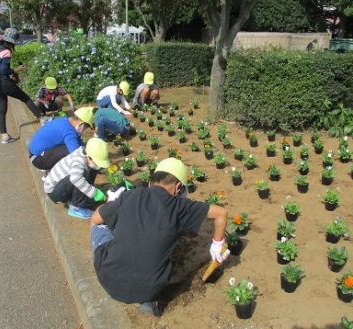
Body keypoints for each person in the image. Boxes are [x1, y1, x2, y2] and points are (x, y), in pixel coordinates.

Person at [90, 158, 230, 317]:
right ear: (178, 187)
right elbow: (221, 213)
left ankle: (104, 261)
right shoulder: (180, 207)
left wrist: (111, 206)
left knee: (99, 226)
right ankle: (149, 302)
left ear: (151, 182)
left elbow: (95, 219)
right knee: (163, 256)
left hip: (108, 280)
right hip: (148, 289)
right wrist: (217, 245)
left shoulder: (130, 196)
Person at [0, 28, 43, 144]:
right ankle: (42, 119)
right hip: (4, 82)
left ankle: (4, 136)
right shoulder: (7, 51)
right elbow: (4, 71)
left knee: (2, 109)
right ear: (12, 41)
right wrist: (16, 70)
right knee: (26, 98)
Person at [44, 138, 111, 219]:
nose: (99, 165)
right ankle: (76, 208)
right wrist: (94, 193)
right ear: (88, 157)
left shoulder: (85, 155)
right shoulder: (78, 160)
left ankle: (81, 198)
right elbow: (75, 179)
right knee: (79, 177)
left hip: (63, 185)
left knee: (92, 169)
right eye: (97, 162)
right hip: (54, 192)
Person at [29, 107, 95, 172]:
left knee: (76, 146)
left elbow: (79, 143)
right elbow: (76, 153)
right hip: (38, 158)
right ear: (81, 124)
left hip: (35, 152)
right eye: (85, 128)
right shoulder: (68, 131)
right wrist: (91, 162)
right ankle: (52, 173)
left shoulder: (65, 121)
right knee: (71, 152)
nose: (84, 130)